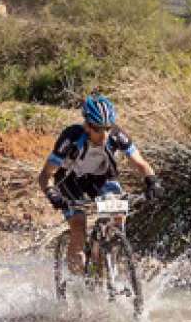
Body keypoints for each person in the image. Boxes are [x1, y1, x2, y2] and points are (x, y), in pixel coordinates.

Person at [37, 94, 163, 276]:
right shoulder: (71, 137)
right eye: (98, 129)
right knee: (78, 228)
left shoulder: (117, 135)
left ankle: (108, 259)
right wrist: (52, 194)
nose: (104, 134)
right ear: (87, 126)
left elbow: (140, 163)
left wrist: (153, 182)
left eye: (107, 128)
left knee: (117, 216)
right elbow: (45, 175)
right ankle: (81, 280)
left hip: (101, 179)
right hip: (70, 181)